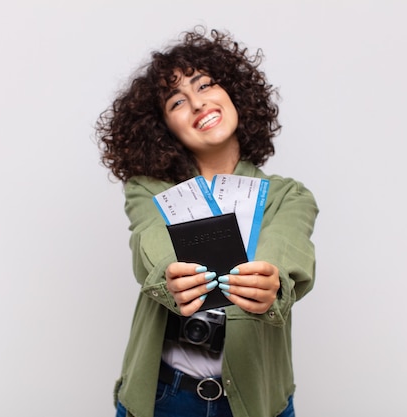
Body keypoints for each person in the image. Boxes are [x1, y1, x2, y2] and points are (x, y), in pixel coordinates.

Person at [95, 26, 318, 417]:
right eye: (176, 102)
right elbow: (150, 241)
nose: (197, 104)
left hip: (255, 400)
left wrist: (272, 281)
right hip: (165, 396)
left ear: (234, 94)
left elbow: (288, 254)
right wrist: (171, 273)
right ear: (163, 128)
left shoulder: (288, 195)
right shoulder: (148, 190)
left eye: (206, 85)